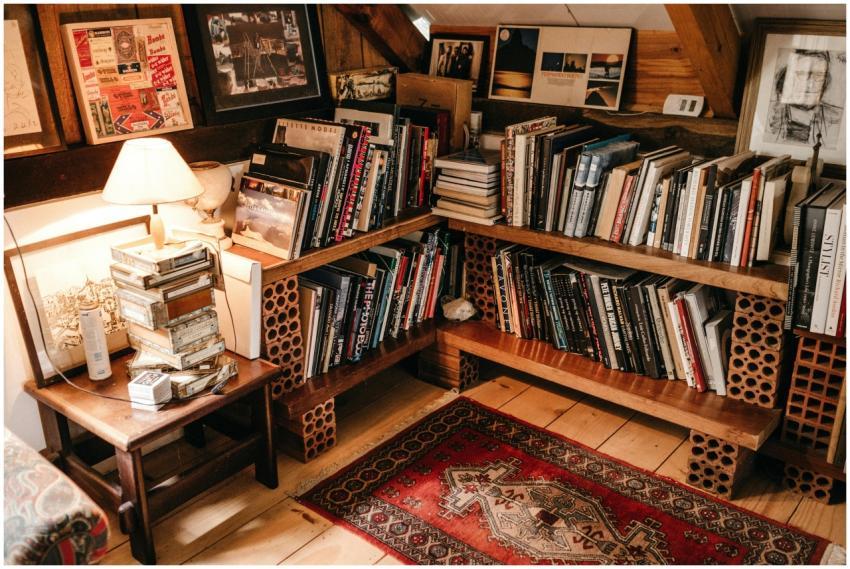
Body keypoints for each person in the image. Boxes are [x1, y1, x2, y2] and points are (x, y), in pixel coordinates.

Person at [769, 49, 843, 146]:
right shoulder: (769, 112)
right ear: (788, 77)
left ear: (825, 81)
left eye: (818, 75)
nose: (810, 84)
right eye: (802, 74)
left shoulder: (838, 119)